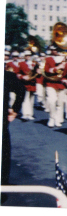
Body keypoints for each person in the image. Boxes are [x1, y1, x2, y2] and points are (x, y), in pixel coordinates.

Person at [2, 69, 26, 202]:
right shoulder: (6, 75)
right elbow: (21, 90)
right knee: (3, 151)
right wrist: (15, 110)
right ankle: (2, 184)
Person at [44, 45, 67, 128]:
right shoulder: (48, 59)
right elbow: (46, 70)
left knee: (60, 103)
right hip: (51, 82)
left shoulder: (64, 58)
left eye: (56, 49)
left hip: (61, 83)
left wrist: (65, 66)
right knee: (51, 101)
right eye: (53, 49)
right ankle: (52, 118)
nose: (54, 51)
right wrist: (57, 68)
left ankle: (58, 119)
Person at [17, 50, 39, 120]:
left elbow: (38, 73)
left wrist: (39, 72)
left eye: (29, 55)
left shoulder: (34, 63)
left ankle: (30, 114)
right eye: (26, 56)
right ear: (24, 56)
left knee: (31, 99)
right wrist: (22, 77)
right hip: (24, 83)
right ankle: (25, 114)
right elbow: (17, 73)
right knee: (25, 98)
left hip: (32, 83)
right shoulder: (21, 63)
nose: (28, 57)